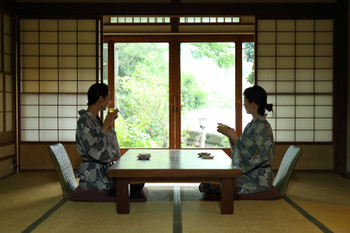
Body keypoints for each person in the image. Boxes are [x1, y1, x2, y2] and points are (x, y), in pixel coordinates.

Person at [200, 85, 275, 195]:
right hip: (250, 173)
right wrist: (231, 136)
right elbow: (242, 149)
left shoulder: (262, 127)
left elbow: (249, 156)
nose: (243, 103)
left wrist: (234, 136)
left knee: (215, 186)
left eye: (245, 100)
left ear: (253, 104)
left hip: (257, 179)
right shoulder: (252, 124)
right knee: (210, 179)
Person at [75, 83, 145, 196]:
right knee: (136, 185)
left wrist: (109, 125)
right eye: (108, 97)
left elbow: (110, 146)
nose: (110, 101)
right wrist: (106, 125)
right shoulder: (84, 121)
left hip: (104, 171)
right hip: (94, 176)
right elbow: (95, 151)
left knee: (138, 181)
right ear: (101, 98)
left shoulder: (96, 119)